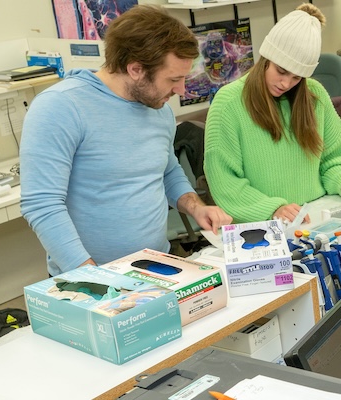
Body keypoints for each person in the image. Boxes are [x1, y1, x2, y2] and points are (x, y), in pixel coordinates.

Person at [21, 5, 231, 276]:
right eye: (174, 79)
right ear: (135, 69)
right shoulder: (60, 107)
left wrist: (196, 208)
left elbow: (167, 171)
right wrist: (92, 277)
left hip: (157, 266)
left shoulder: (159, 109)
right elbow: (42, 205)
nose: (180, 90)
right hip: (88, 278)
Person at [204, 4, 341, 224]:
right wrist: (273, 209)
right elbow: (225, 181)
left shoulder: (314, 95)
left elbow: (333, 158)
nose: (286, 83)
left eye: (297, 77)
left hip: (315, 215)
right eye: (281, 71)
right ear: (266, 59)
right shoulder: (228, 104)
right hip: (262, 224)